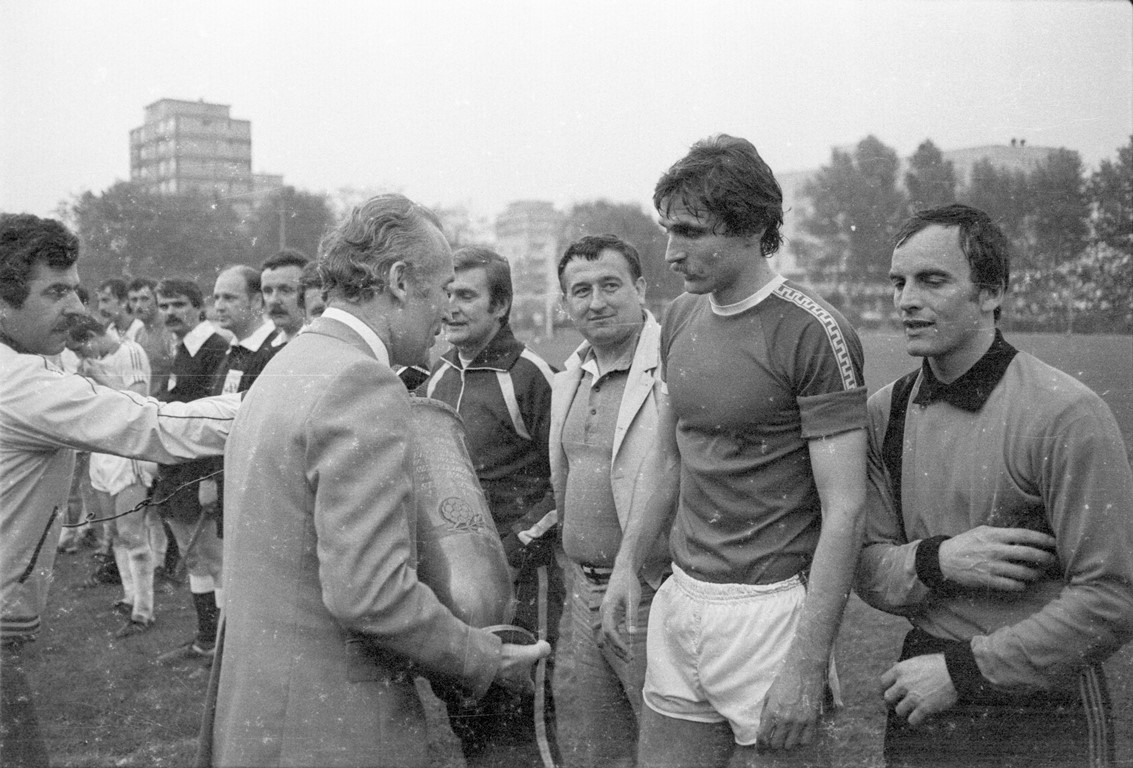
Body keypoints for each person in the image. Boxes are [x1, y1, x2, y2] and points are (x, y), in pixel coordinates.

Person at [203, 194, 549, 768]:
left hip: (264, 710)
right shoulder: (362, 383)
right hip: (334, 726)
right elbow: (371, 595)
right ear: (398, 281)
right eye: (441, 290)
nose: (445, 311)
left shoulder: (290, 364)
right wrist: (485, 657)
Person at [600, 135, 868, 768]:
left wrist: (804, 663)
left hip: (770, 610)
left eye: (690, 231)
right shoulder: (683, 316)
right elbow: (669, 457)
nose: (671, 252)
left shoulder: (814, 332)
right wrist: (625, 564)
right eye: (668, 230)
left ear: (750, 225)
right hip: (683, 597)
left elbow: (847, 511)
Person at [854, 203, 1133, 767]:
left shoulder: (1066, 413)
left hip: (1041, 697)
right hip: (921, 688)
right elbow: (863, 564)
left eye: (932, 280)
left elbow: (1113, 596)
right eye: (899, 282)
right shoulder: (885, 412)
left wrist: (966, 671)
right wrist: (939, 561)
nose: (906, 299)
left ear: (991, 292)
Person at [0, 213, 238, 768]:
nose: (77, 308)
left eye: (76, 291)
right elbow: (157, 426)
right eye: (55, 292)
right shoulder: (18, 385)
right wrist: (285, 400)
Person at [418, 246, 561, 766]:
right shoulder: (437, 375)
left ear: (500, 306)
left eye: (466, 295)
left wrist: (517, 542)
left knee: (524, 716)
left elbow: (565, 483)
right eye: (446, 294)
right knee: (469, 711)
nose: (451, 306)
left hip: (524, 573)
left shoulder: (532, 375)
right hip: (456, 578)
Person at [550, 234, 670, 768]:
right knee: (603, 753)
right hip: (583, 593)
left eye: (610, 285)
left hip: (650, 592)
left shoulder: (673, 365)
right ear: (565, 302)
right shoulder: (569, 375)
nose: (595, 302)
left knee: (665, 748)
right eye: (580, 290)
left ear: (641, 288)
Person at [151, 278, 231, 664]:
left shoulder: (215, 349)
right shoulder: (182, 348)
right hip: (175, 473)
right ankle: (205, 638)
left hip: (198, 475)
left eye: (178, 304)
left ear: (199, 307)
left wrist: (209, 480)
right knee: (195, 558)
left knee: (214, 561)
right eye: (163, 305)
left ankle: (222, 648)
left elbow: (211, 422)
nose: (170, 312)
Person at [72, 320, 160, 637]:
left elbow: (138, 400)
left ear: (92, 336)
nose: (80, 354)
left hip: (128, 452)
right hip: (102, 451)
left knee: (131, 531)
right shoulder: (93, 362)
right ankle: (130, 596)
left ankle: (144, 611)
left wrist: (100, 377)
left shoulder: (130, 351)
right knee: (114, 529)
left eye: (80, 346)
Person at [127, 276, 175, 396]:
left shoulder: (169, 332)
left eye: (144, 299)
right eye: (133, 300)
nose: (138, 305)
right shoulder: (139, 333)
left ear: (157, 300)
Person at [260, 248, 308, 344]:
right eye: (267, 291)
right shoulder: (270, 349)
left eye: (285, 291)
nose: (274, 300)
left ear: (307, 293)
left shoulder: (319, 344)